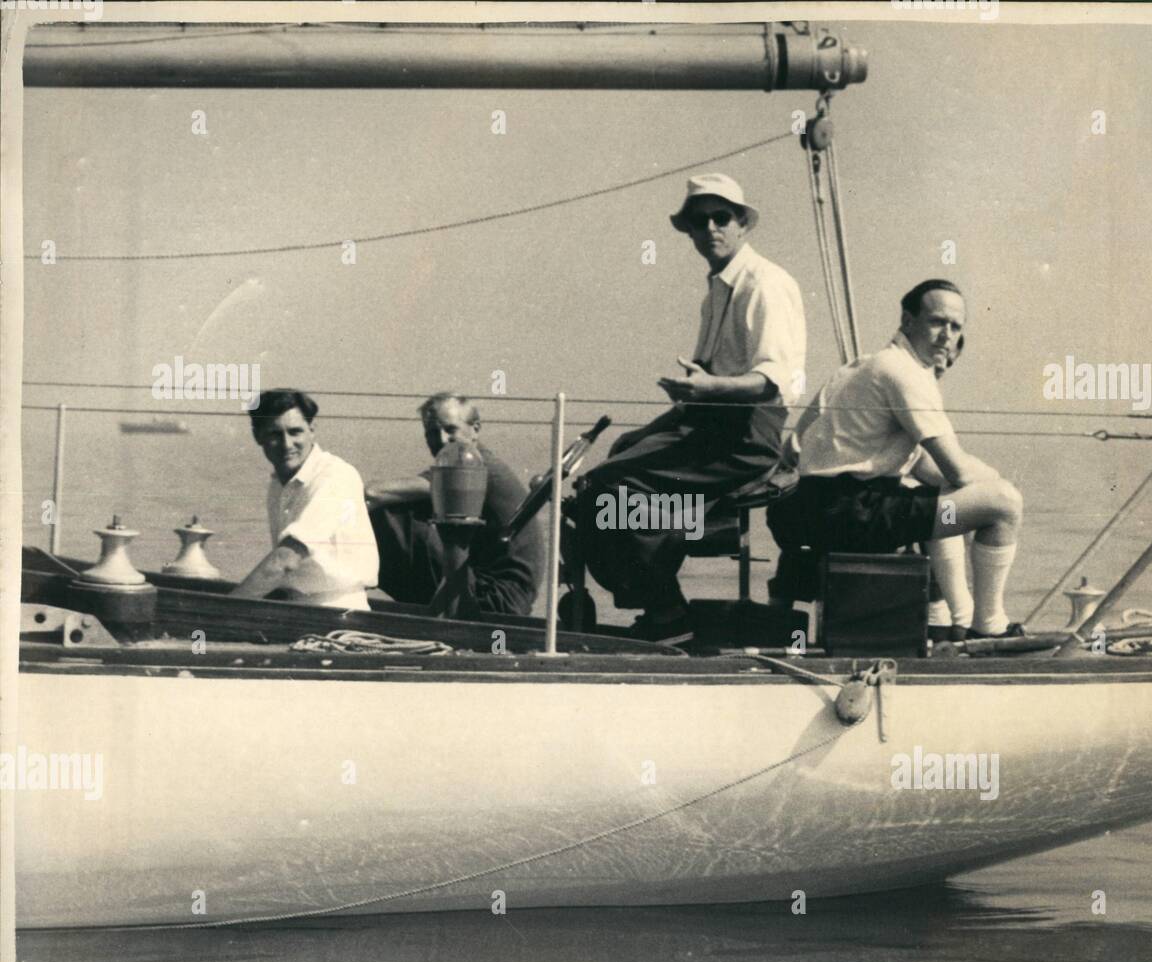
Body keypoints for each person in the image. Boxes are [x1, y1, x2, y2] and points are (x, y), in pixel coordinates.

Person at [571, 172, 806, 644]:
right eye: (700, 222)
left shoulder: (765, 284)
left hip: (745, 440)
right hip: (708, 430)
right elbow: (703, 389)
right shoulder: (718, 290)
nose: (711, 229)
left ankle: (667, 611)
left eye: (722, 218)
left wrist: (708, 388)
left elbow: (776, 382)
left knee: (608, 490)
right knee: (601, 476)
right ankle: (663, 574)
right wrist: (649, 430)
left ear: (742, 224)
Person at [767, 279, 1023, 639]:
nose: (946, 335)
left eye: (955, 327)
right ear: (907, 320)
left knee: (944, 501)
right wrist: (997, 483)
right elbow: (957, 470)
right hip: (851, 512)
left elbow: (928, 469)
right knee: (1006, 504)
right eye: (937, 322)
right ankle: (988, 626)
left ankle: (948, 620)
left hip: (810, 509)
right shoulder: (904, 372)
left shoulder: (861, 366)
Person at [365, 392, 543, 616]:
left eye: (450, 429)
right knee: (412, 511)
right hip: (502, 594)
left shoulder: (471, 466)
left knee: (389, 518)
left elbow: (374, 493)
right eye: (431, 432)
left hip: (497, 597)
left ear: (475, 429)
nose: (440, 439)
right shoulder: (466, 462)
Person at [231, 388, 379, 610]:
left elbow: (284, 561)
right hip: (296, 609)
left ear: (312, 430)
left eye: (295, 432)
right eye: (274, 434)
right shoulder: (278, 484)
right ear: (257, 436)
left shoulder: (334, 476)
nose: (287, 444)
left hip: (338, 612)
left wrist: (225, 608)